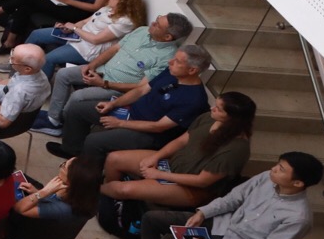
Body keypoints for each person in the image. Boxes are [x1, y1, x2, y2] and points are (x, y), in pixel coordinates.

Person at [125, 153, 319, 239]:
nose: (273, 169)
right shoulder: (266, 178)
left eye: (281, 169)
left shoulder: (298, 218)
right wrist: (203, 213)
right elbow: (232, 200)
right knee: (152, 219)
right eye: (277, 164)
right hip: (221, 225)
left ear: (298, 183)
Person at [53, 46, 213, 160]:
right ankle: (71, 151)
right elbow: (142, 90)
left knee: (94, 141)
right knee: (78, 108)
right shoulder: (171, 73)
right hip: (130, 112)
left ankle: (87, 173)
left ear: (192, 70)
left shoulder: (194, 100)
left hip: (149, 133)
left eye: (177, 61)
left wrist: (120, 123)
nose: (170, 62)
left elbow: (158, 127)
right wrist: (113, 105)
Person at [99, 92, 256, 209]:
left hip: (190, 189)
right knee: (113, 159)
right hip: (173, 164)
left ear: (232, 118)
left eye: (219, 109)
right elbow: (181, 140)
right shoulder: (209, 118)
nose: (212, 108)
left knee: (123, 189)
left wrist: (160, 175)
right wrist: (156, 157)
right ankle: (111, 198)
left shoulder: (236, 149)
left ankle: (92, 191)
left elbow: (202, 181)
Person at [37, 13, 189, 131]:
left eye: (157, 24)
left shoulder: (167, 58)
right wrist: (92, 65)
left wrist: (104, 83)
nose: (153, 23)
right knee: (64, 74)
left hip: (116, 88)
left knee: (78, 96)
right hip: (101, 71)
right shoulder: (141, 31)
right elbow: (114, 49)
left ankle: (64, 123)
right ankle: (53, 118)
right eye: (156, 19)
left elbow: (141, 88)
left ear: (168, 37)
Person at [0, 44, 47, 137]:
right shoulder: (40, 75)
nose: (10, 59)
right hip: (19, 117)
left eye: (13, 59)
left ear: (27, 69)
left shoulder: (19, 92)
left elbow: (2, 122)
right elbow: (11, 81)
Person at [13, 154, 103, 223]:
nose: (60, 166)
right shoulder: (84, 193)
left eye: (64, 166)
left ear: (70, 180)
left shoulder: (63, 209)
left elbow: (19, 208)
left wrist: (43, 192)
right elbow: (54, 199)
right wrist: (36, 191)